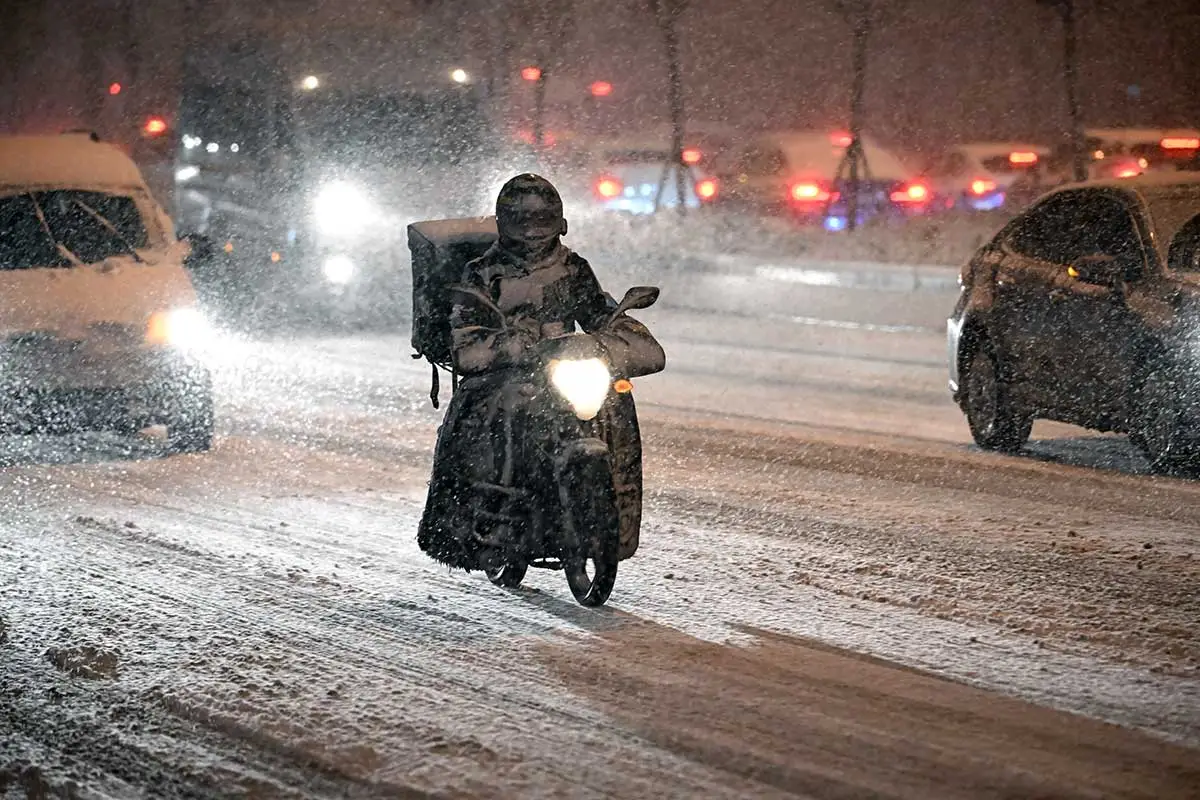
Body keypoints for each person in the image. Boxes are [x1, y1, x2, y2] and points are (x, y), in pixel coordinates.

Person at [417, 173, 664, 569]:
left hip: (563, 368)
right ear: (504, 223)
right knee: (492, 420)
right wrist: (512, 344)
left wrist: (618, 337)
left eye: (542, 221)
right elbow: (467, 341)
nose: (533, 232)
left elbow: (598, 311)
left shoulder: (572, 267)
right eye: (522, 221)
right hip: (508, 375)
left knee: (616, 398)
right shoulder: (481, 273)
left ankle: (615, 514)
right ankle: (486, 522)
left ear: (560, 222)